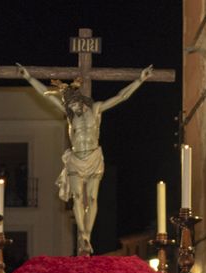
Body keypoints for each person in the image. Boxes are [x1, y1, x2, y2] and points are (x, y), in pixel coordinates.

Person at [14, 63, 152, 255]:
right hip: (76, 159)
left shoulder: (96, 109)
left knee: (93, 198)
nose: (71, 108)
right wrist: (28, 77)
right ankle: (84, 236)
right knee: (78, 198)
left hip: (94, 157)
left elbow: (121, 96)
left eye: (72, 104)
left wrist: (140, 79)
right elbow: (45, 94)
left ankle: (88, 233)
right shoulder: (70, 115)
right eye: (68, 106)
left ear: (78, 100)